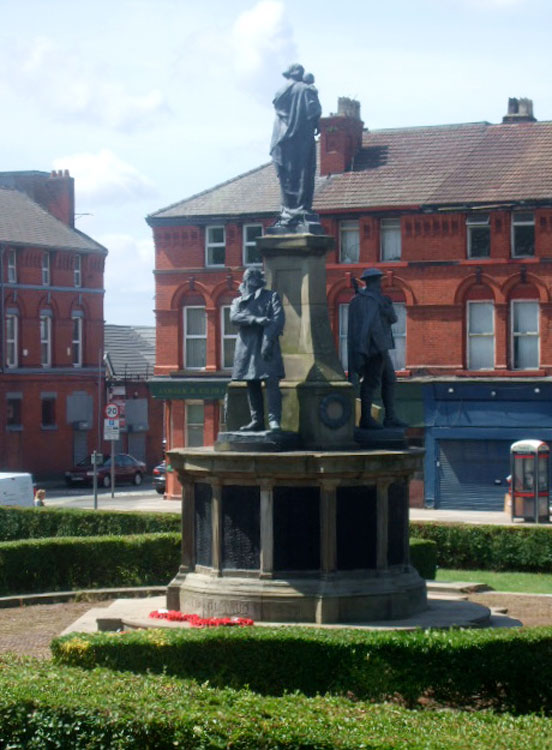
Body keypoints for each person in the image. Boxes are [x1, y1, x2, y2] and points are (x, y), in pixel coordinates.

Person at [347, 268, 407, 429]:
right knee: (371, 382)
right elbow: (365, 326)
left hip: (381, 346)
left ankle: (390, 417)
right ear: (372, 282)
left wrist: (386, 309)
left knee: (390, 380)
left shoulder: (379, 299)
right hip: (373, 347)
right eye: (378, 281)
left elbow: (393, 318)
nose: (380, 284)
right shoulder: (363, 300)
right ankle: (365, 418)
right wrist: (362, 349)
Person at [230, 268, 285, 431]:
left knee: (271, 381)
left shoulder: (271, 296)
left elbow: (278, 319)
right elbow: (234, 317)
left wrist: (268, 341)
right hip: (247, 347)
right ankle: (257, 420)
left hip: (267, 344)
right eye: (251, 278)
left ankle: (274, 419)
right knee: (252, 382)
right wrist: (256, 319)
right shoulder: (237, 301)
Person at [270, 63, 322, 231]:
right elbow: (314, 111)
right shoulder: (306, 90)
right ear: (300, 73)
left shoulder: (280, 92)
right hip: (301, 140)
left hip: (282, 140)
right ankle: (300, 209)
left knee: (286, 177)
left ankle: (288, 210)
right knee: (303, 175)